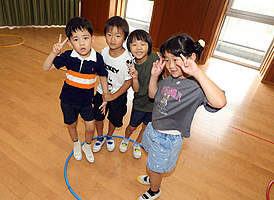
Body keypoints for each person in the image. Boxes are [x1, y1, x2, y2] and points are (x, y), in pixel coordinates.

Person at [136, 34, 227, 200]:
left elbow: (220, 102)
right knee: (151, 162)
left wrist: (197, 73)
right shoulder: (169, 79)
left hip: (167, 139)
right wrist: (155, 76)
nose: (170, 66)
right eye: (167, 60)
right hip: (153, 129)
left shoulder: (197, 86)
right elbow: (152, 95)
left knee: (154, 167)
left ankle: (154, 190)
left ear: (191, 57)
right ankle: (152, 178)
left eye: (175, 60)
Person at [43, 17, 108, 163]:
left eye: (85, 38)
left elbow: (103, 77)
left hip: (86, 102)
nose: (82, 43)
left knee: (90, 128)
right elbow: (46, 67)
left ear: (93, 39)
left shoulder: (97, 58)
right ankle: (76, 144)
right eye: (76, 39)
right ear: (70, 43)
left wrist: (105, 96)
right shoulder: (67, 56)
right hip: (67, 101)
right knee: (71, 124)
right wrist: (54, 53)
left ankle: (87, 146)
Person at [92, 16, 134, 152]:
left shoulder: (128, 59)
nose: (112, 39)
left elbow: (129, 81)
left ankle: (109, 136)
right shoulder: (104, 52)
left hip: (118, 95)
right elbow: (99, 72)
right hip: (101, 92)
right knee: (98, 117)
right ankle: (100, 137)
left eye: (117, 36)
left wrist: (114, 96)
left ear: (124, 38)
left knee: (114, 119)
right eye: (109, 35)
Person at [119, 29, 162, 159]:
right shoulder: (131, 65)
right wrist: (135, 77)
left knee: (145, 127)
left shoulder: (156, 58)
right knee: (132, 126)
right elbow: (136, 90)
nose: (138, 48)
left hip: (154, 104)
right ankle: (126, 139)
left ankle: (137, 143)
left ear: (149, 46)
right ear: (129, 48)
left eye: (143, 44)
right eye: (134, 44)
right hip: (139, 103)